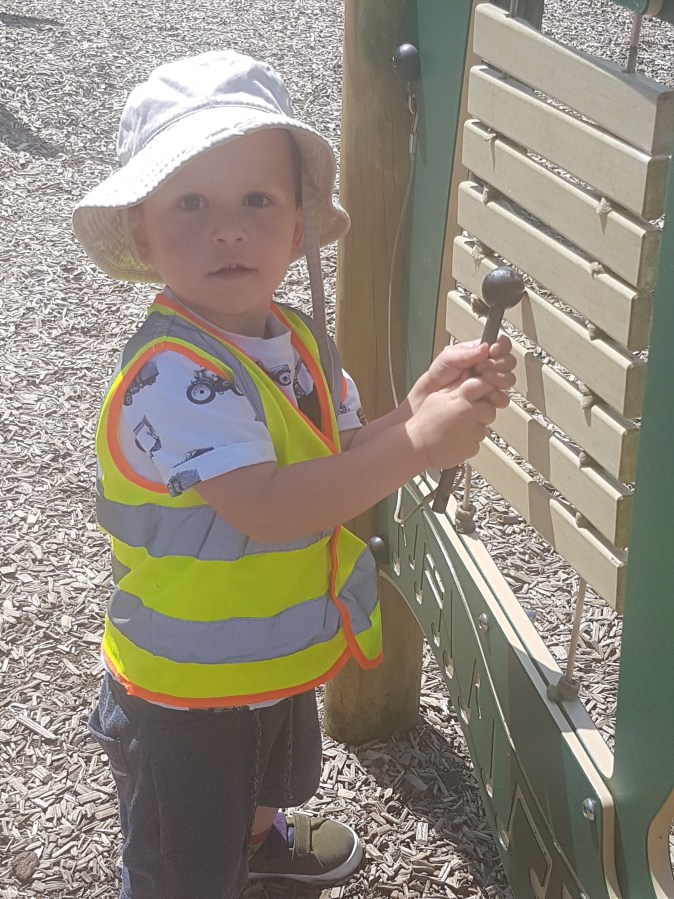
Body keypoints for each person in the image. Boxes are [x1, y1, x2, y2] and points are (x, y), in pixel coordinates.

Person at [72, 50, 516, 899]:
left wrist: (417, 404)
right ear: (142, 230)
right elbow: (269, 508)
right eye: (191, 202)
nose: (228, 228)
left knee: (267, 778)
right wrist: (418, 445)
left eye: (257, 200)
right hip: (185, 686)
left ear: (299, 222)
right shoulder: (173, 374)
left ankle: (259, 841)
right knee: (180, 863)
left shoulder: (296, 338)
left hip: (259, 651)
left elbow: (335, 459)